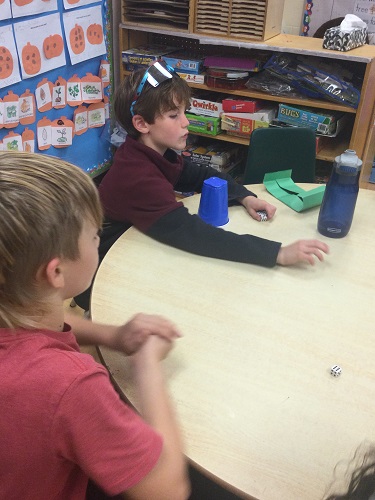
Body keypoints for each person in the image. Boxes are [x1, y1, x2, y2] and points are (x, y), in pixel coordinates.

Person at [0, 151, 190, 500]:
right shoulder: (69, 385)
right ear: (56, 272)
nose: (98, 242)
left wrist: (113, 336)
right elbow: (167, 489)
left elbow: (28, 329)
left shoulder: (12, 306)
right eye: (93, 237)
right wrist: (147, 365)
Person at [74, 61, 329, 311]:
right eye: (174, 116)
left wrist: (244, 196)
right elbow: (195, 235)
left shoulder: (153, 151)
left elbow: (200, 174)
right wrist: (277, 253)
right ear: (142, 124)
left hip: (136, 250)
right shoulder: (137, 176)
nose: (186, 122)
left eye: (184, 111)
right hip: (100, 275)